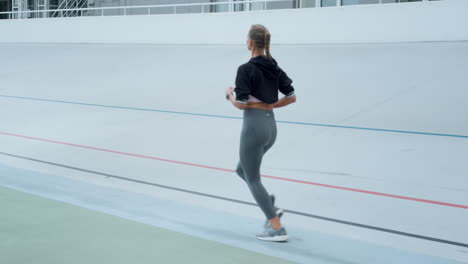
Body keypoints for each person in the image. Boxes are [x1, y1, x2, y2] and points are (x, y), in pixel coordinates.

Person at [225, 24, 296, 242]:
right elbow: (291, 96)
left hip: (253, 127)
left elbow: (242, 105)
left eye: (246, 38)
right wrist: (270, 106)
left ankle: (276, 227)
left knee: (253, 178)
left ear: (251, 43)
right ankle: (270, 205)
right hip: (270, 127)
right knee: (241, 170)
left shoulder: (245, 69)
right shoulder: (273, 65)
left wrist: (229, 95)